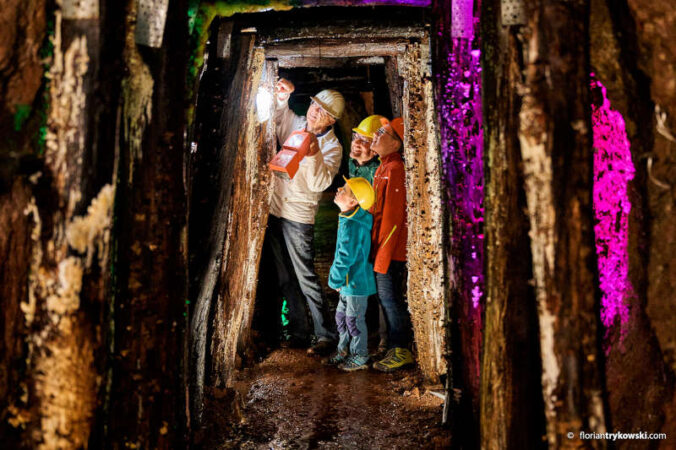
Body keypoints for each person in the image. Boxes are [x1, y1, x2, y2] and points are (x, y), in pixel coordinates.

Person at [264, 78, 345, 356]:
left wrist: (312, 155)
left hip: (298, 216)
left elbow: (320, 183)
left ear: (331, 121)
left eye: (323, 112)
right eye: (315, 105)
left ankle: (326, 335)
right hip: (276, 209)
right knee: (284, 277)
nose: (315, 112)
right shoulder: (296, 124)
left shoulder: (332, 148)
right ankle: (298, 332)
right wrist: (283, 98)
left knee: (306, 276)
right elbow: (277, 118)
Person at [368, 117, 414, 372]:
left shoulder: (395, 169)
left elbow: (394, 219)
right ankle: (396, 347)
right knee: (387, 298)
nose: (375, 134)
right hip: (382, 247)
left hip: (391, 250)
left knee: (391, 299)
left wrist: (382, 255)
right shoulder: (383, 167)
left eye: (383, 132)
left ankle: (401, 349)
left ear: (396, 143)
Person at [324, 176, 377, 371]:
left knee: (353, 320)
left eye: (345, 190)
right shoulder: (350, 218)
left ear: (353, 202)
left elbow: (345, 257)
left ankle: (360, 354)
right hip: (348, 283)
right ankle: (343, 350)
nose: (339, 189)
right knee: (342, 317)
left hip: (355, 284)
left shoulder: (353, 225)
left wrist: (334, 279)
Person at [348, 115, 388, 354]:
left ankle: (384, 340)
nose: (357, 143)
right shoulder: (354, 164)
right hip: (359, 235)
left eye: (364, 140)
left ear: (374, 149)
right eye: (356, 137)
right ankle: (369, 331)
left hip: (374, 234)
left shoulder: (378, 171)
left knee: (381, 287)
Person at [348, 115, 383, 184]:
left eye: (364, 141)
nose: (355, 142)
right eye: (356, 137)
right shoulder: (352, 161)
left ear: (376, 150)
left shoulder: (377, 174)